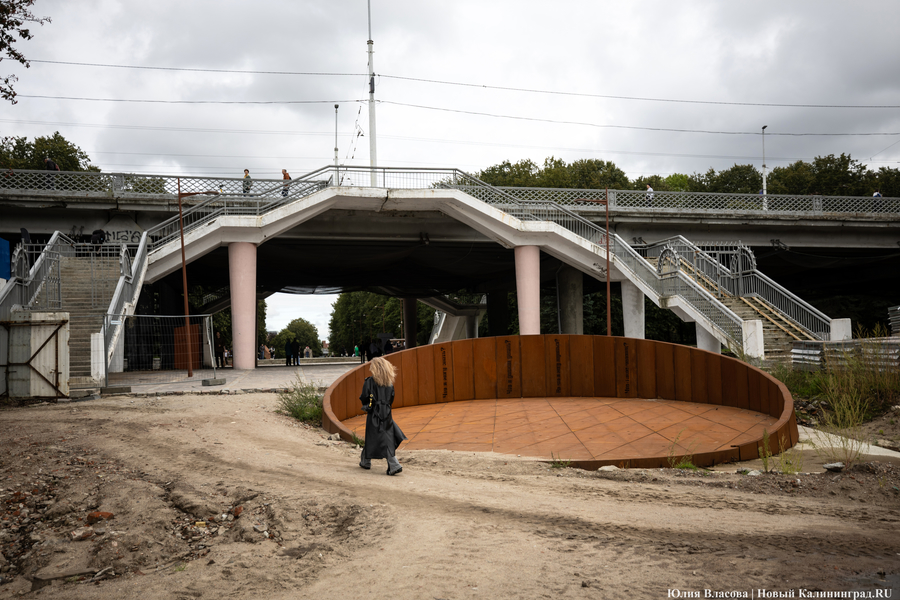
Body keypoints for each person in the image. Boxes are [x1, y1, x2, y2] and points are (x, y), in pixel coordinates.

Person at [358, 357, 406, 475]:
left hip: (374, 411)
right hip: (387, 411)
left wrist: (367, 405)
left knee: (373, 435)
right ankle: (365, 460)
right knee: (387, 435)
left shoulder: (369, 381)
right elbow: (392, 397)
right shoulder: (389, 383)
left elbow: (364, 396)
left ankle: (392, 464)